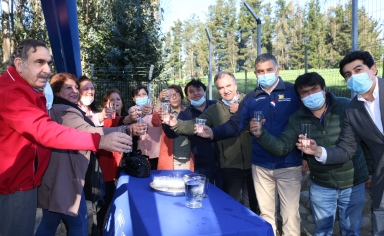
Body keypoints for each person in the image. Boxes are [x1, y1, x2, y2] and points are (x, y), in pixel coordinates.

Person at [0, 39, 131, 236]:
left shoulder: (28, 91)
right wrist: (100, 140)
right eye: (39, 62)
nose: (46, 69)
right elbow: (44, 130)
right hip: (15, 186)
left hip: (27, 182)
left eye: (49, 63)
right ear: (20, 64)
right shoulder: (11, 92)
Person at [251, 72, 371, 235]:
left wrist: (369, 172)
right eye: (304, 92)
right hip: (322, 184)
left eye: (314, 89)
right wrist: (261, 134)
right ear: (300, 97)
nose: (310, 95)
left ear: (324, 89)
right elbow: (282, 147)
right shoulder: (298, 118)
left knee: (351, 230)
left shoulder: (346, 106)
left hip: (353, 181)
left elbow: (367, 139)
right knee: (322, 230)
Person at [198, 53, 302, 235]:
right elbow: (234, 125)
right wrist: (213, 132)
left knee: (291, 216)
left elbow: (309, 121)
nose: (265, 74)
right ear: (255, 74)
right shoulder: (251, 98)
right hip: (261, 165)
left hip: (289, 164)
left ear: (278, 70)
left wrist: (307, 156)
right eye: (261, 71)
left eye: (269, 70)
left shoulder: (294, 92)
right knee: (265, 216)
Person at [36, 73, 134, 235]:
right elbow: (89, 131)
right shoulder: (65, 112)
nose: (75, 91)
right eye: (69, 87)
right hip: (66, 179)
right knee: (79, 224)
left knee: (49, 222)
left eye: (76, 87)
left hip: (57, 177)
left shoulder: (56, 109)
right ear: (57, 93)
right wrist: (124, 130)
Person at [298, 51, 383, 235]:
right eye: (348, 74)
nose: (353, 77)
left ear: (374, 69)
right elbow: (346, 150)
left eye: (358, 70)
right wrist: (317, 151)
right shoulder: (352, 109)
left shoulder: (344, 105)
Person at [168, 72, 258, 212]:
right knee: (230, 208)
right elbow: (194, 124)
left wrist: (242, 108)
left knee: (254, 207)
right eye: (221, 87)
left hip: (255, 164)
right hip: (230, 167)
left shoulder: (251, 101)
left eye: (228, 85)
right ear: (217, 89)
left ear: (236, 85)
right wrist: (176, 123)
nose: (226, 90)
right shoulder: (214, 108)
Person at [163, 79, 222, 187]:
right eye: (191, 91)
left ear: (204, 91)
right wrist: (167, 122)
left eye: (198, 90)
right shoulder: (185, 114)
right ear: (187, 97)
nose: (195, 93)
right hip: (202, 163)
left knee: (224, 196)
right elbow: (172, 134)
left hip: (224, 162)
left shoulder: (216, 106)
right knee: (202, 194)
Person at [152, 85, 194, 170]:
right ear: (167, 98)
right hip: (171, 158)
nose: (174, 97)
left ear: (181, 96)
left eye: (176, 94)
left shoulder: (189, 112)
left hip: (188, 158)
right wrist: (159, 100)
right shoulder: (166, 113)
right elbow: (155, 122)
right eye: (170, 95)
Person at [128, 84, 161, 169]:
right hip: (142, 152)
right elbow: (134, 113)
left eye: (144, 94)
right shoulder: (133, 109)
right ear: (134, 98)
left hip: (157, 152)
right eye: (138, 95)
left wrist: (154, 110)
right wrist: (142, 111)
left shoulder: (155, 110)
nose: (142, 97)